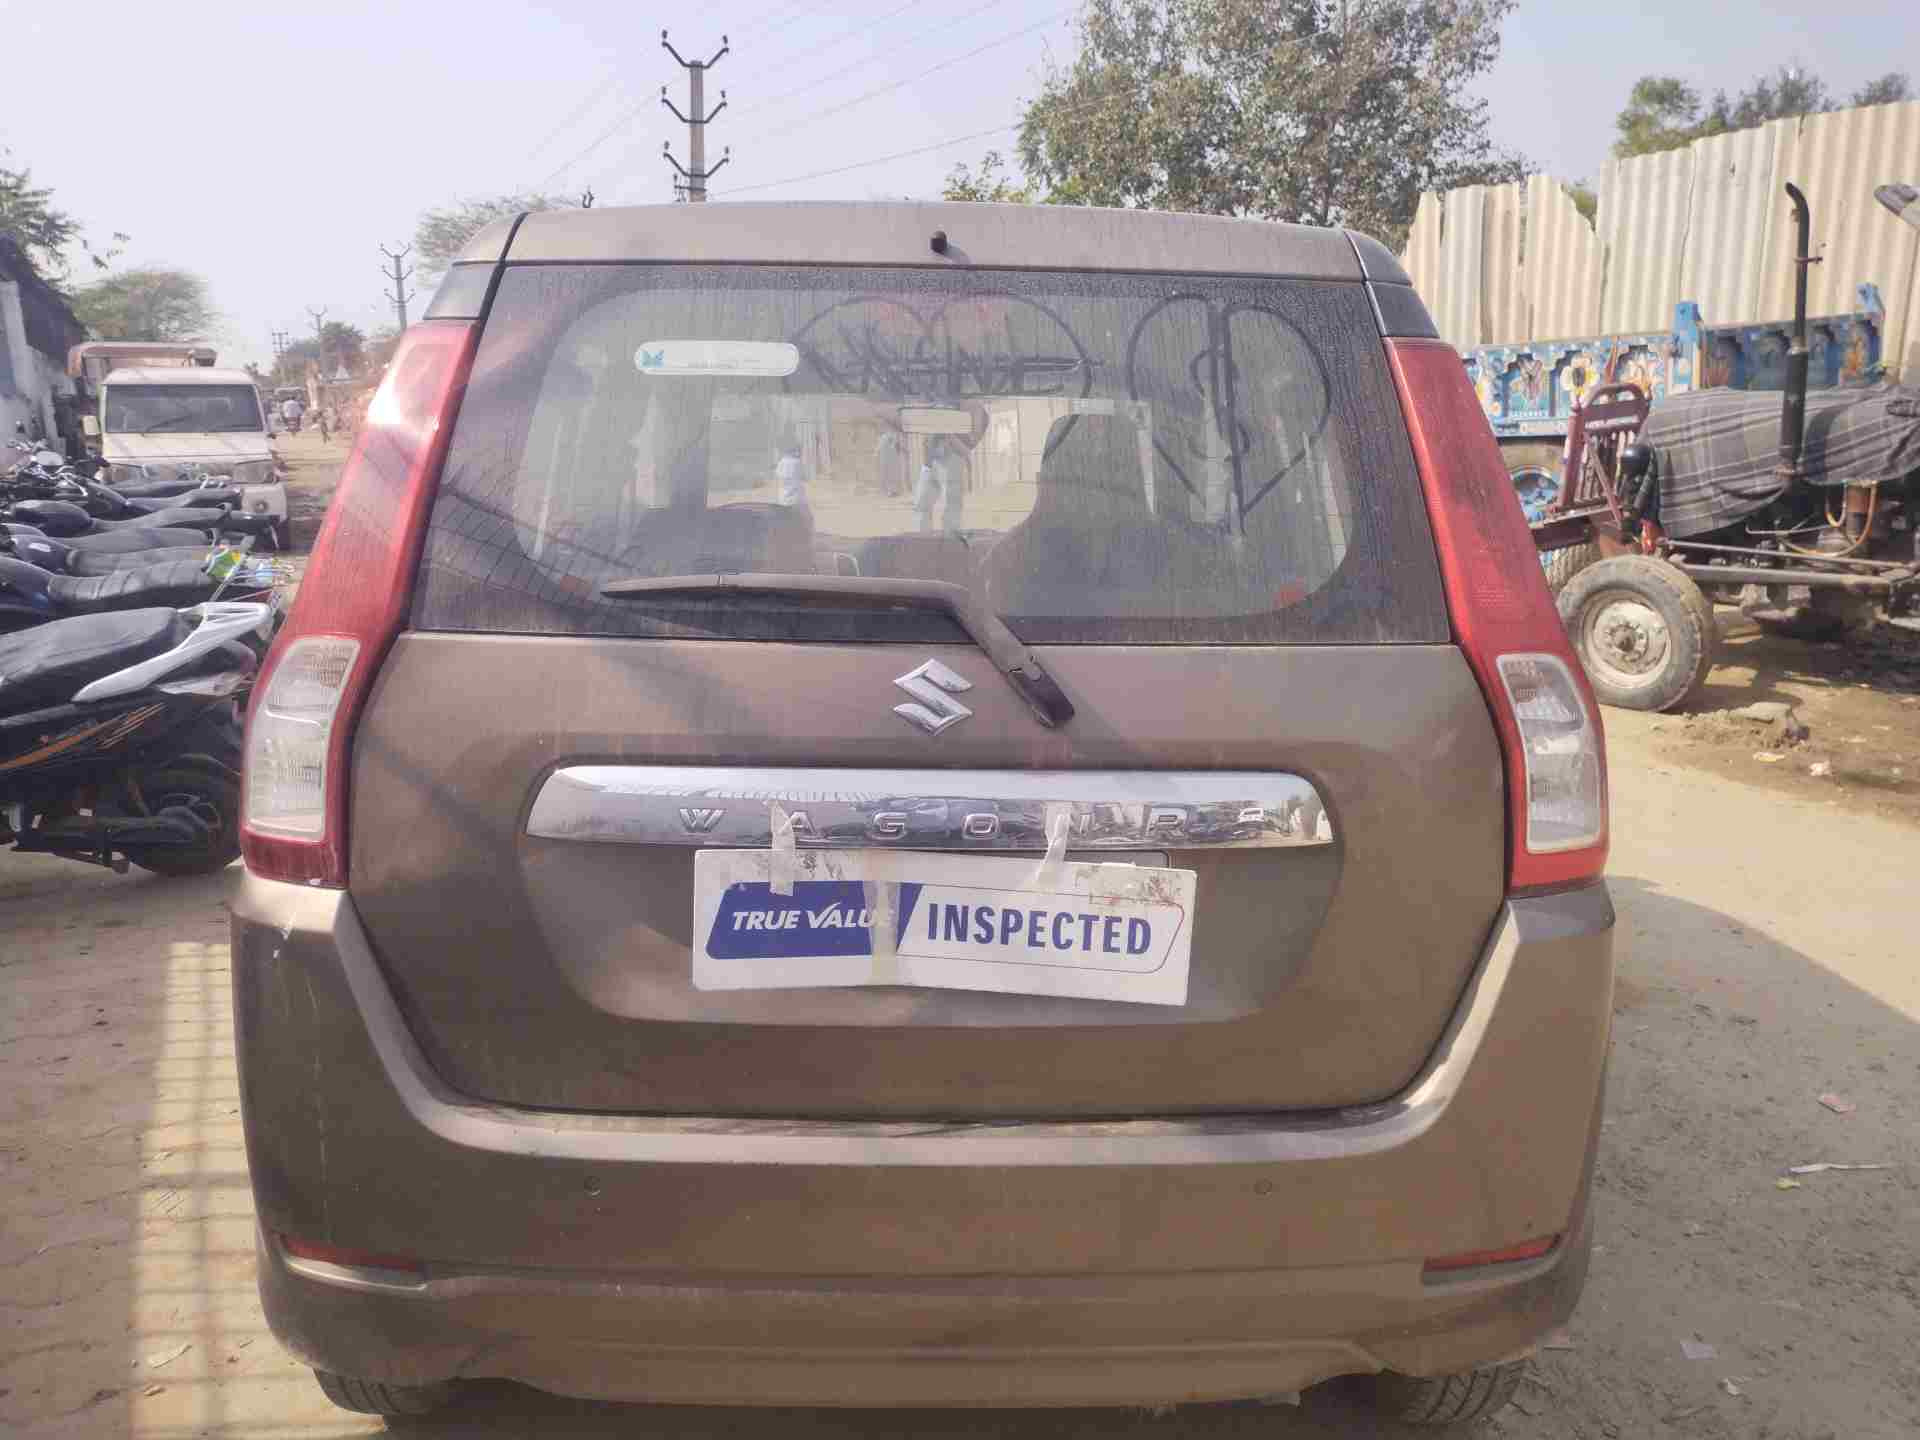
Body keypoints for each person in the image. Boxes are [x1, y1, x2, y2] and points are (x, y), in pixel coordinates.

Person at [873, 422, 907, 497]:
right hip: (887, 458)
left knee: (891, 474)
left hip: (891, 458)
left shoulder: (890, 436)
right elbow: (879, 448)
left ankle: (892, 490)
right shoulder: (887, 436)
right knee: (888, 474)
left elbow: (897, 446)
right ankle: (889, 490)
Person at [775, 442, 807, 511]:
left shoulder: (781, 462)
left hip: (784, 498)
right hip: (797, 498)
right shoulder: (797, 462)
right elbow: (803, 477)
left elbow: (778, 476)